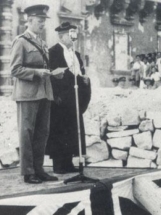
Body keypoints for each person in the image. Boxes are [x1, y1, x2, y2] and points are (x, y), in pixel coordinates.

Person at [10, 4, 60, 184]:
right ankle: (28, 172)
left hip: (44, 93)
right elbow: (15, 69)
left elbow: (43, 66)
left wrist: (54, 73)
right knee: (27, 133)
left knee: (42, 133)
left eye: (44, 21)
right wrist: (37, 73)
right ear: (29, 21)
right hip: (28, 94)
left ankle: (39, 169)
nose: (42, 25)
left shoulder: (42, 43)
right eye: (40, 21)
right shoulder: (21, 41)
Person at [46, 22, 90, 174]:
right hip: (60, 100)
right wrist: (55, 95)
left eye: (74, 34)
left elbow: (80, 72)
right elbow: (50, 75)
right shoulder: (53, 52)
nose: (73, 38)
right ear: (61, 36)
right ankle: (59, 164)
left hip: (74, 99)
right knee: (59, 131)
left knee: (72, 130)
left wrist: (84, 80)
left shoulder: (76, 54)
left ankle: (69, 162)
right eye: (70, 34)